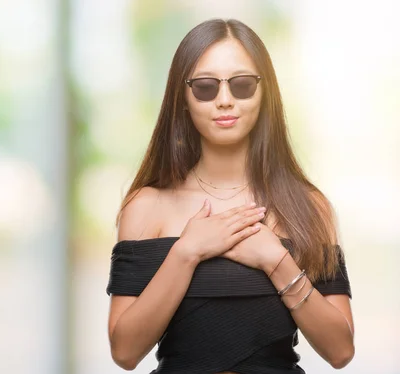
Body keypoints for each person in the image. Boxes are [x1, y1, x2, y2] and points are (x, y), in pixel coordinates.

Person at [105, 19, 354, 374]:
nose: (224, 101)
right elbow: (125, 352)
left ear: (264, 92)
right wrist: (186, 252)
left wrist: (276, 261)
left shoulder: (309, 207)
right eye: (206, 87)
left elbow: (341, 351)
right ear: (184, 98)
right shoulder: (146, 207)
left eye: (241, 85)